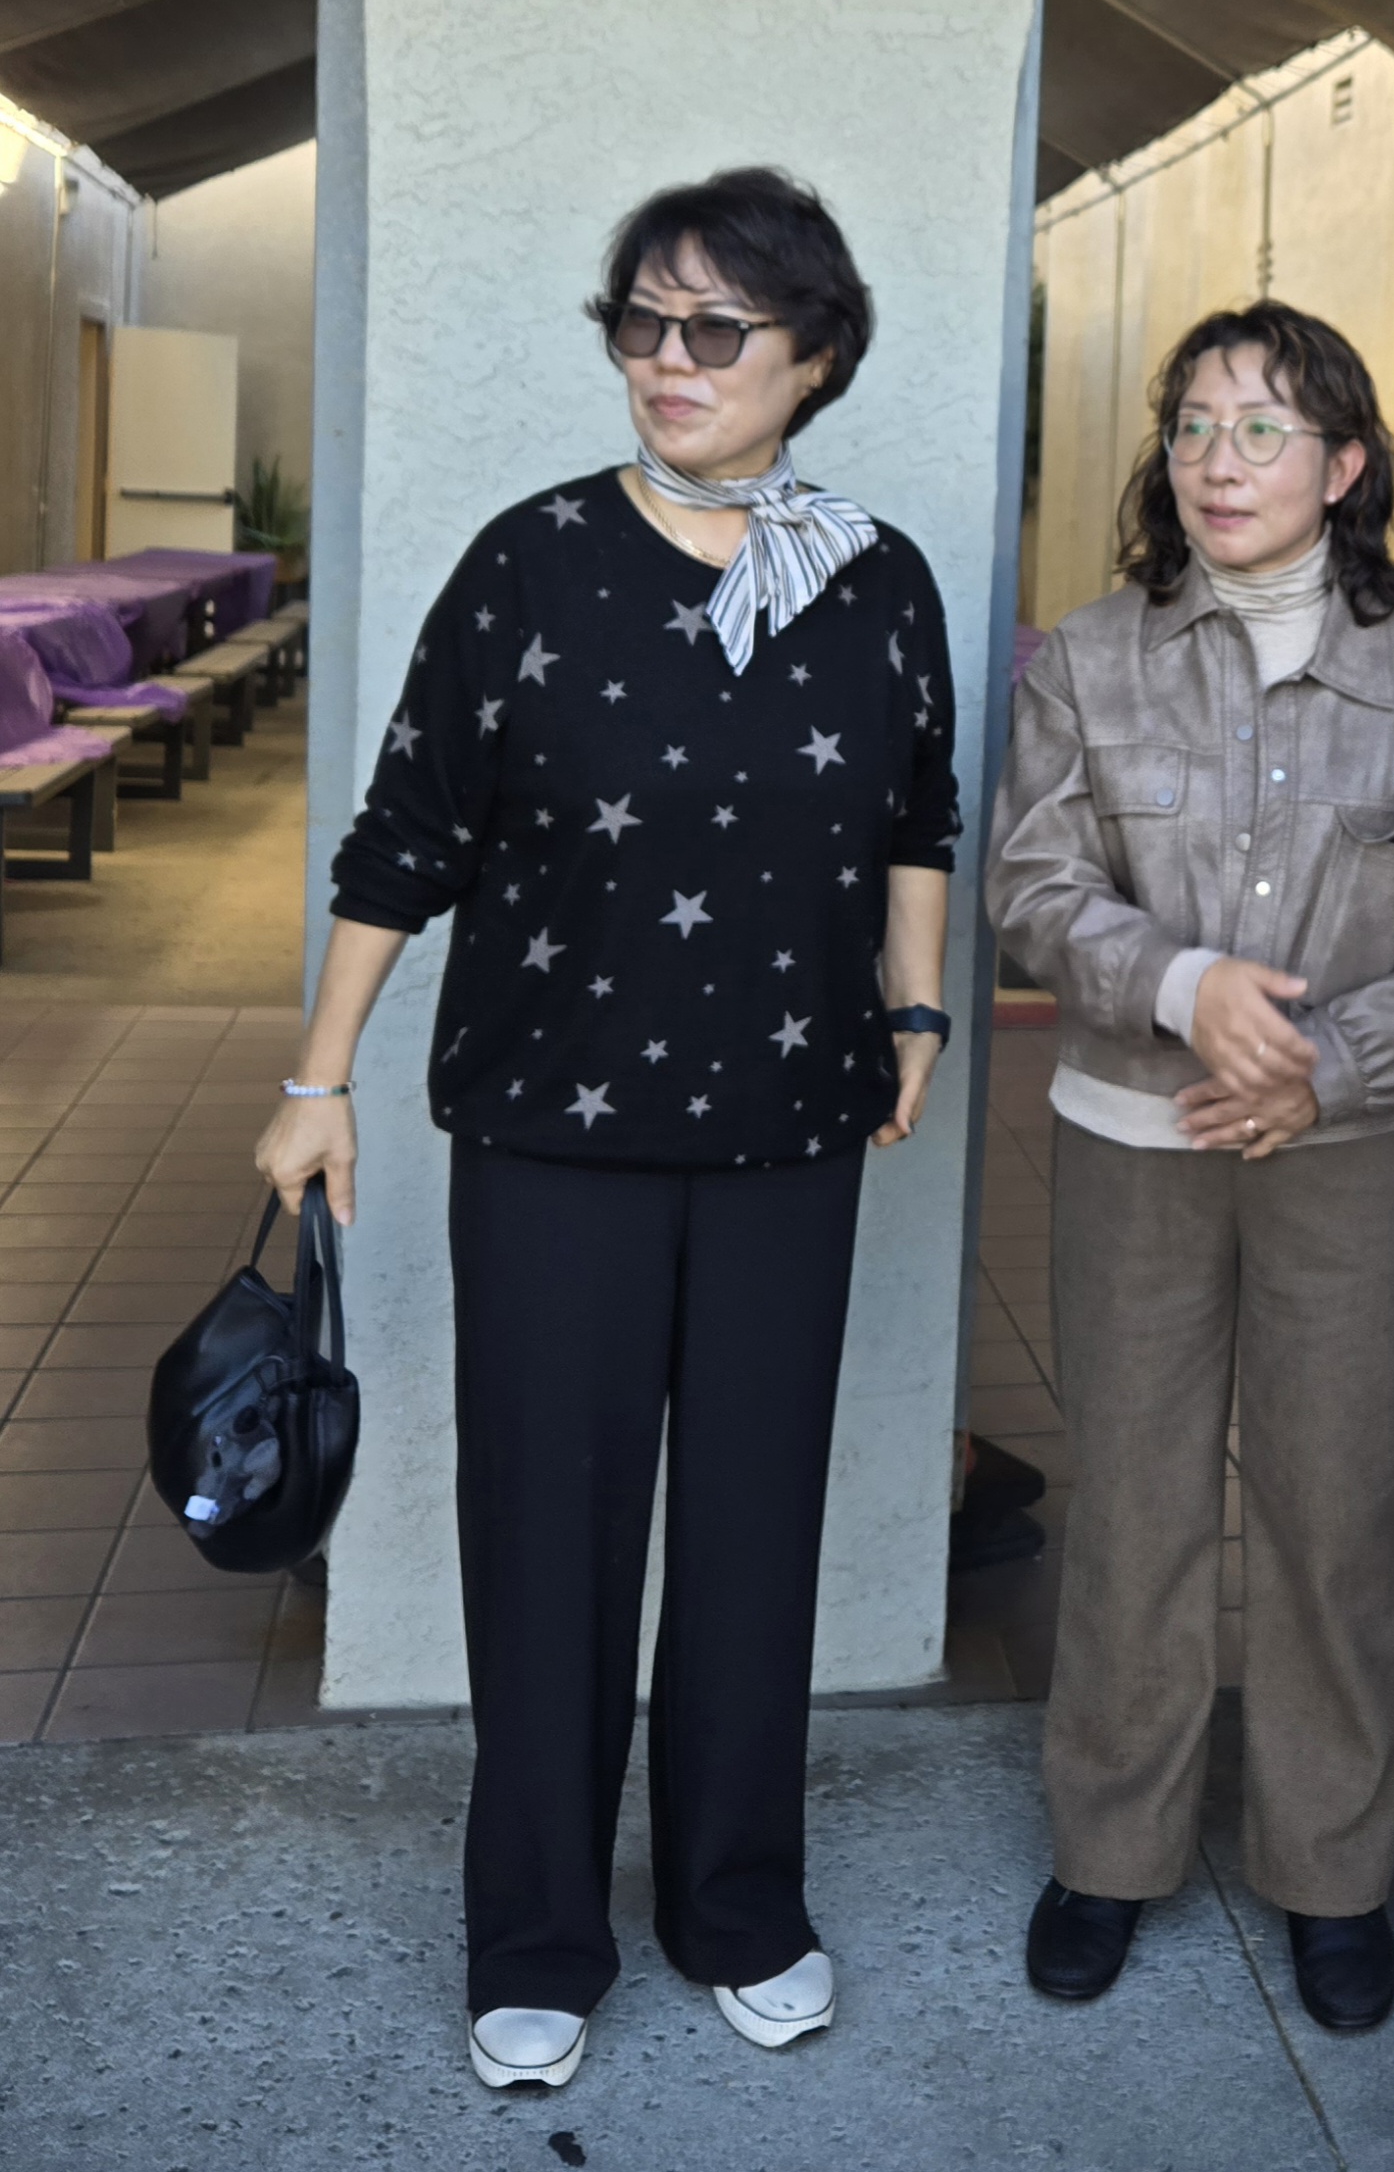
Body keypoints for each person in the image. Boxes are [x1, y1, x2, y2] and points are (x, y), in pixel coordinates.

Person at [254, 167, 960, 2092]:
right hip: (550, 1133)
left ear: (815, 356)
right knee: (547, 1535)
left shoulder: (879, 578)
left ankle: (738, 1903)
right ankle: (538, 1932)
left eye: (716, 327)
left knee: (751, 1529)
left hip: (792, 1128)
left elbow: (917, 812)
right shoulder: (534, 562)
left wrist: (915, 1007)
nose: (668, 356)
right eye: (642, 320)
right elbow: (405, 832)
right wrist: (317, 1078)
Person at [985, 301, 1394, 2034]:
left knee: (1336, 1512)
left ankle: (1332, 1872)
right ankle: (1109, 1850)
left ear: (1344, 465)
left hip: (1349, 1160)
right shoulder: (1091, 657)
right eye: (1194, 428)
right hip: (1131, 1145)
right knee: (1134, 1506)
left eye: (1264, 430)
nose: (1219, 462)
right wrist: (1182, 988)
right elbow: (1028, 883)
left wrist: (1324, 1062)